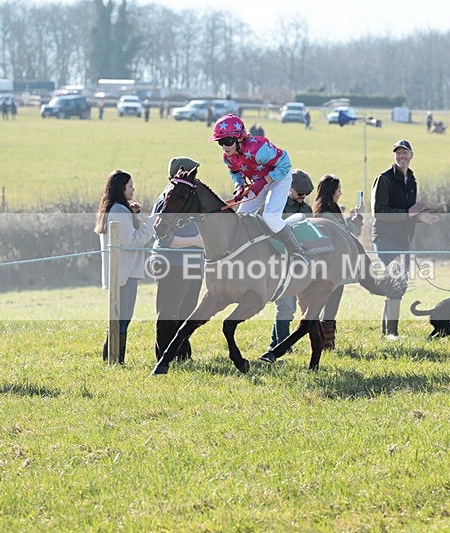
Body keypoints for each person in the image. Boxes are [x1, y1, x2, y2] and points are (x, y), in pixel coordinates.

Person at [209, 114, 305, 262]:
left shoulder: (258, 149)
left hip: (280, 178)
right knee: (241, 218)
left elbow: (285, 164)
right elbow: (235, 172)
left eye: (227, 141)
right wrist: (240, 187)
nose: (224, 146)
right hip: (258, 182)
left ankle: (298, 253)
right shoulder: (227, 156)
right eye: (220, 142)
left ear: (240, 138)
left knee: (270, 217)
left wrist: (265, 180)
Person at [371, 139, 438, 339]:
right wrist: (409, 213)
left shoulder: (412, 180)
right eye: (398, 153)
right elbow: (379, 212)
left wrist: (420, 217)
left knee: (399, 285)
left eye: (405, 153)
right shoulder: (383, 179)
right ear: (394, 156)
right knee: (397, 280)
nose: (401, 156)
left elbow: (408, 213)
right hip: (384, 238)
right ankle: (391, 332)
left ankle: (388, 333)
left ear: (411, 155)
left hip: (404, 240)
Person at [95, 169, 155, 364]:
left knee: (118, 317)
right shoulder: (119, 211)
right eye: (130, 186)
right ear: (121, 188)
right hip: (125, 273)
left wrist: (134, 214)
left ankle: (111, 358)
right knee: (123, 319)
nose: (133, 190)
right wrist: (151, 223)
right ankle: (115, 359)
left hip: (119, 272)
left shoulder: (116, 209)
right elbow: (133, 240)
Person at [151, 157, 204, 362]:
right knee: (168, 313)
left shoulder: (191, 199)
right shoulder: (167, 199)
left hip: (192, 264)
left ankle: (182, 354)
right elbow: (165, 238)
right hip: (171, 263)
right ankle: (163, 358)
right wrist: (198, 241)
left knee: (187, 312)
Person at [312, 174, 364, 349]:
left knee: (327, 305)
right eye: (338, 189)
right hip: (332, 268)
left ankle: (324, 342)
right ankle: (325, 343)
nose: (341, 193)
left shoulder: (321, 211)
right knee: (330, 305)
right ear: (331, 191)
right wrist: (357, 221)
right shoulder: (328, 214)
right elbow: (347, 236)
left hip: (327, 266)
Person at [269, 169, 314, 351]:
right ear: (288, 188)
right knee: (286, 306)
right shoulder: (276, 206)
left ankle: (275, 343)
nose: (303, 197)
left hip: (298, 263)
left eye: (307, 194)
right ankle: (283, 347)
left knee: (289, 307)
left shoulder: (306, 209)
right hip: (279, 262)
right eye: (300, 193)